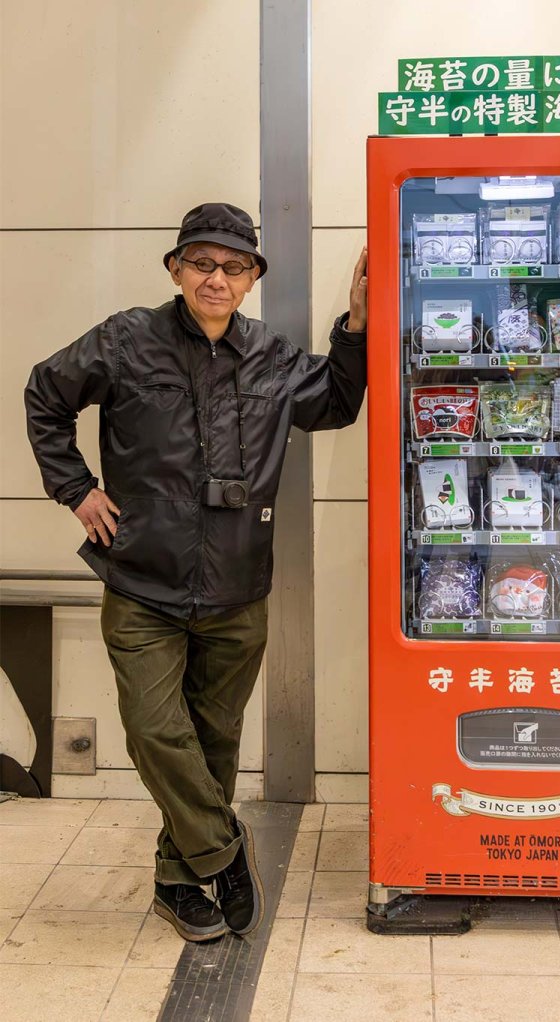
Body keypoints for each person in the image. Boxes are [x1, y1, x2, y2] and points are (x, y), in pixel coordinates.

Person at [25, 202, 367, 941]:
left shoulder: (272, 357)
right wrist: (76, 489)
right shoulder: (125, 340)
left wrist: (356, 327)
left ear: (251, 279)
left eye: (234, 267)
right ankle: (225, 852)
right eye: (203, 263)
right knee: (155, 731)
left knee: (213, 740)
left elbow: (337, 403)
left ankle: (179, 884)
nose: (217, 278)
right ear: (176, 269)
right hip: (142, 579)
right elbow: (45, 394)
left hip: (238, 586)